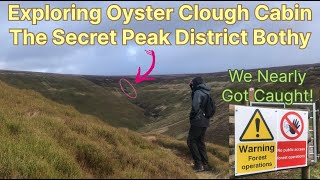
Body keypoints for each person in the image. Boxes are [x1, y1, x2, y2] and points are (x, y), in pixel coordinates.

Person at [187, 76, 212, 172]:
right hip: (205, 120)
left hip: (198, 120)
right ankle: (205, 165)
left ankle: (198, 165)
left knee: (191, 141)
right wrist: (191, 87)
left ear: (196, 83)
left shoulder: (198, 92)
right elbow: (196, 95)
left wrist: (192, 117)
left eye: (193, 83)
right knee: (200, 142)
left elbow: (195, 107)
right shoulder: (206, 91)